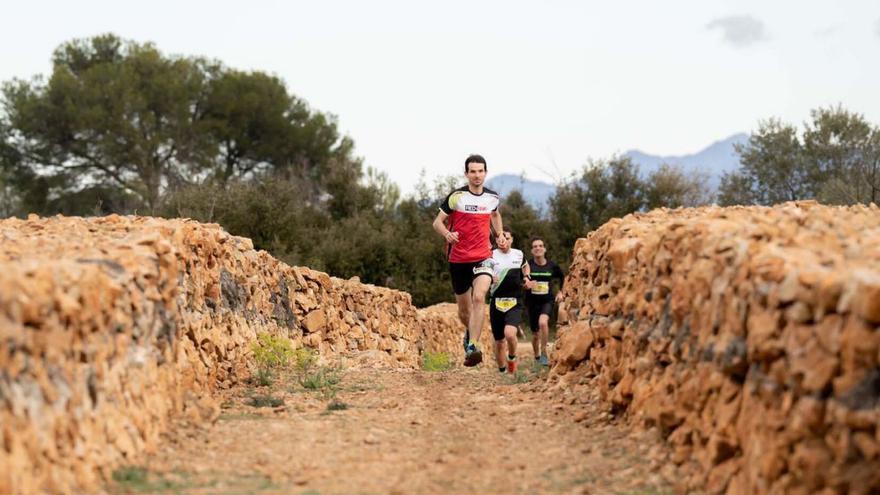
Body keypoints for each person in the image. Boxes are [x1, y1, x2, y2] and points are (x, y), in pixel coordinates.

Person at [432, 154, 503, 367]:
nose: (477, 175)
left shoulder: (492, 197)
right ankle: (468, 332)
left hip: (483, 256)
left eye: (480, 171)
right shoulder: (456, 197)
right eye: (472, 171)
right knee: (464, 311)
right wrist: (447, 234)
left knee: (480, 297)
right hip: (459, 259)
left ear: (485, 173)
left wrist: (498, 234)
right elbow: (437, 222)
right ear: (466, 174)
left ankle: (473, 345)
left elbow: (496, 215)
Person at [488, 228, 531, 373]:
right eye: (500, 237)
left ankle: (512, 358)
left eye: (506, 237)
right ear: (496, 240)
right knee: (499, 341)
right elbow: (480, 273)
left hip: (514, 301)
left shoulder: (518, 254)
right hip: (496, 301)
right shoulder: (490, 255)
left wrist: (527, 277)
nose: (503, 240)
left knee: (510, 334)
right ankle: (502, 371)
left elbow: (525, 266)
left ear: (511, 240)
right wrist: (489, 277)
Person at [524, 237, 565, 366]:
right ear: (532, 250)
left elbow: (563, 277)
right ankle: (536, 356)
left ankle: (543, 353)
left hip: (547, 300)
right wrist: (526, 285)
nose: (538, 248)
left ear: (544, 249)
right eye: (535, 246)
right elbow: (522, 281)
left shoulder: (552, 266)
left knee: (543, 322)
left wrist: (560, 292)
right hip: (531, 302)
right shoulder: (528, 266)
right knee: (535, 334)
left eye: (540, 246)